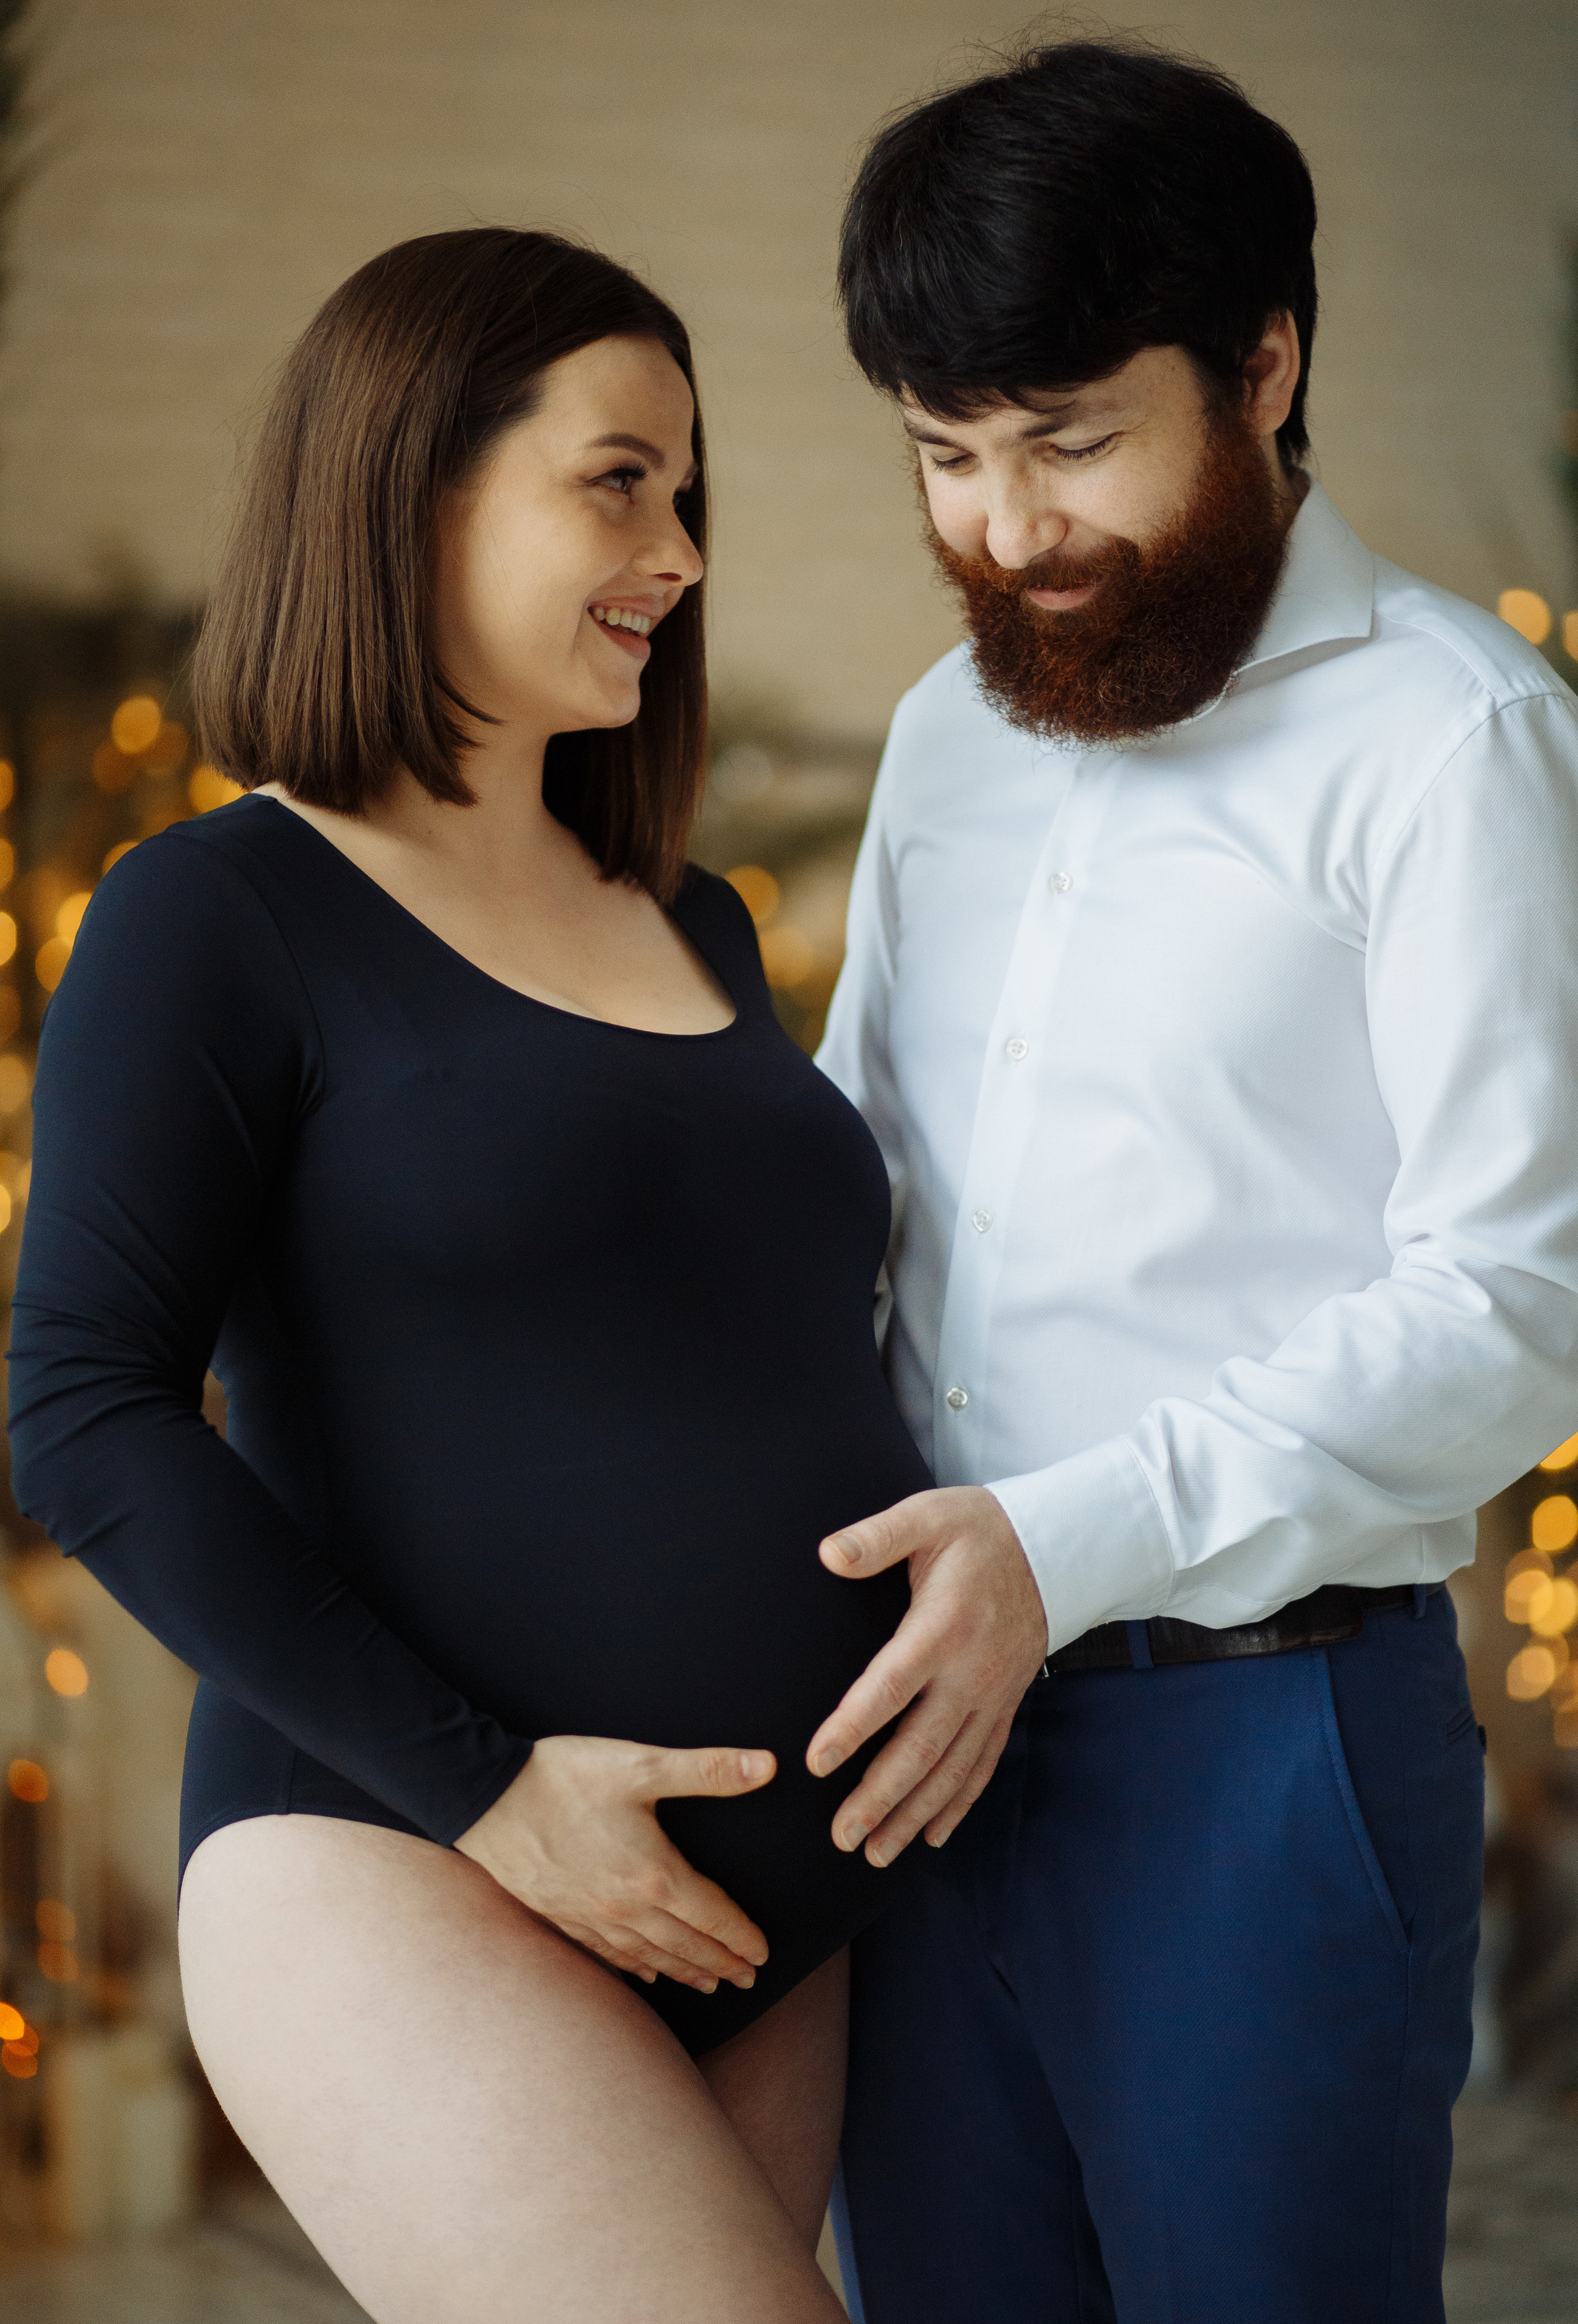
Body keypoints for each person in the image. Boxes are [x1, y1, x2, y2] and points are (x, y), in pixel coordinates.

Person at [7, 226, 931, 2322]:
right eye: (619, 480)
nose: (680, 549)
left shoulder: (686, 916)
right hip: (411, 1860)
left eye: (690, 495)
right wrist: (492, 1796)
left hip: (775, 1912)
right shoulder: (218, 912)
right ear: (416, 480)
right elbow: (81, 1411)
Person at [805, 40, 1578, 2323]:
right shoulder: (943, 734)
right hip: (909, 1744)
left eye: (1074, 441)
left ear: (1266, 365)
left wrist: (1053, 1552)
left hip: (1257, 1751)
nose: (1009, 532)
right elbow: (852, 1190)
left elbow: (1524, 1298)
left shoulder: (1458, 746)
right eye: (947, 457)